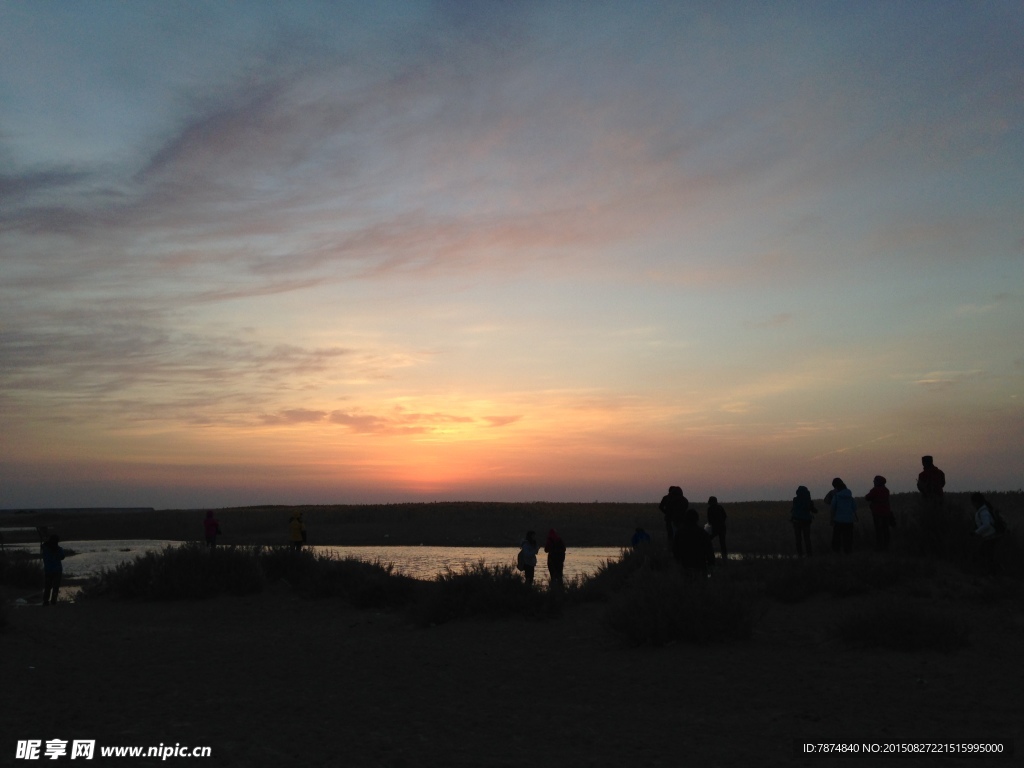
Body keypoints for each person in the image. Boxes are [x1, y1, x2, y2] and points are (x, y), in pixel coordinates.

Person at [672, 509, 715, 578]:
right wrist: (711, 565)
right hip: (700, 567)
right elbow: (709, 551)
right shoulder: (703, 533)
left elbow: (675, 551)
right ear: (697, 519)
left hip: (684, 566)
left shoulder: (679, 533)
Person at [970, 492, 1002, 576]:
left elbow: (986, 525)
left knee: (985, 555)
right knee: (987, 556)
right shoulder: (983, 511)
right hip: (991, 537)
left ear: (976, 502)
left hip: (990, 537)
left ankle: (992, 574)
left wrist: (976, 532)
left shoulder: (983, 512)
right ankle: (993, 573)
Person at [826, 478, 857, 554]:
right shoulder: (850, 497)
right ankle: (848, 553)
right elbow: (854, 508)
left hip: (838, 521)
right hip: (849, 521)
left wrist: (831, 519)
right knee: (848, 538)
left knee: (837, 538)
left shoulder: (835, 497)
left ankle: (837, 553)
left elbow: (832, 509)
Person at [864, 475, 894, 551]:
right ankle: (886, 545)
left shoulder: (875, 490)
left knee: (878, 530)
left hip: (877, 513)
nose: (873, 482)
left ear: (878, 482)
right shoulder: (886, 490)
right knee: (885, 529)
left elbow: (867, 497)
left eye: (874, 480)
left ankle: (880, 546)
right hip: (886, 513)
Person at [790, 486, 817, 557]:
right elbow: (814, 510)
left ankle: (800, 554)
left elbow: (794, 509)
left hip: (796, 521)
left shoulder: (795, 500)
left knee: (798, 539)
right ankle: (809, 554)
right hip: (806, 521)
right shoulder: (808, 500)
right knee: (807, 538)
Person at [41, 534, 65, 606]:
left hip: (48, 570)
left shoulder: (45, 548)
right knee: (55, 586)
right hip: (57, 570)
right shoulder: (58, 549)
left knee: (48, 586)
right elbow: (62, 556)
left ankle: (46, 601)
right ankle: (53, 601)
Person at [706, 496, 728, 561]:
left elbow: (709, 520)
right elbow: (725, 516)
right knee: (722, 543)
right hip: (722, 527)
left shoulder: (710, 509)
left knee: (708, 540)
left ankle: (709, 554)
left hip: (715, 528)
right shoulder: (720, 507)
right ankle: (724, 557)